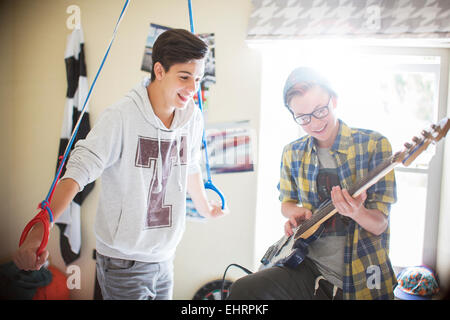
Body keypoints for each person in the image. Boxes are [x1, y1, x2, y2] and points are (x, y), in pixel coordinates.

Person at [13, 28, 227, 300]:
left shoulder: (193, 118)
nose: (192, 89)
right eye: (184, 77)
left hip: (164, 257)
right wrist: (39, 228)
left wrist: (206, 209)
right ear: (159, 70)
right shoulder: (121, 116)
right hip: (123, 262)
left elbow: (190, 166)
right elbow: (78, 171)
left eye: (197, 79)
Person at [228, 67, 397, 300]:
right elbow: (286, 202)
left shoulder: (374, 145)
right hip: (308, 266)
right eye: (303, 117)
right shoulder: (293, 152)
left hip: (361, 273)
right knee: (243, 290)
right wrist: (295, 213)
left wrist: (357, 212)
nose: (314, 123)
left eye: (320, 111)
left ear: (334, 100)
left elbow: (379, 225)